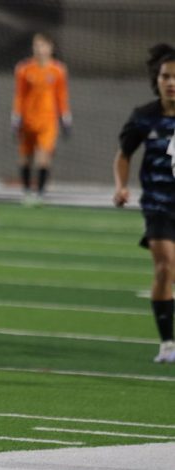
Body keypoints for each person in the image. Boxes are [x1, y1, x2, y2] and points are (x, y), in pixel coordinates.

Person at [113, 43, 175, 364]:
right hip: (158, 204)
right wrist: (122, 186)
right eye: (166, 76)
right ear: (157, 79)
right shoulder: (144, 118)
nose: (171, 82)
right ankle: (167, 344)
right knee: (165, 266)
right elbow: (124, 155)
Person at [12, 32, 72, 203]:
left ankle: (39, 193)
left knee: (43, 157)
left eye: (43, 45)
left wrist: (65, 119)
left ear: (50, 48)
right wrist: (16, 118)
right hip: (28, 120)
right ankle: (25, 191)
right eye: (36, 45)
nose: (40, 49)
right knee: (25, 158)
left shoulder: (58, 70)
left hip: (48, 120)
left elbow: (61, 96)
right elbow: (19, 95)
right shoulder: (23, 69)